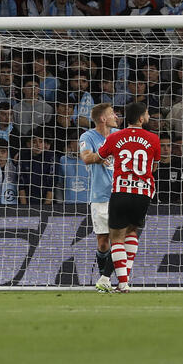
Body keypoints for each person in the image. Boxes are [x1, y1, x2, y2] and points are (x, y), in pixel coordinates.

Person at [94, 101, 161, 292]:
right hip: (143, 193)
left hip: (121, 191)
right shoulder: (154, 139)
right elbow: (153, 167)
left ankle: (122, 283)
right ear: (141, 118)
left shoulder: (116, 137)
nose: (148, 116)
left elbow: (101, 156)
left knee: (116, 239)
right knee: (132, 233)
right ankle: (117, 280)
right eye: (147, 113)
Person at [78, 102, 119, 292]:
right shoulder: (88, 136)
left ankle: (107, 279)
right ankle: (104, 280)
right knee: (103, 243)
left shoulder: (120, 136)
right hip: (100, 195)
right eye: (112, 114)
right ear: (103, 119)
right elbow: (86, 157)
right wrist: (105, 153)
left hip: (120, 194)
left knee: (119, 238)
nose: (116, 117)